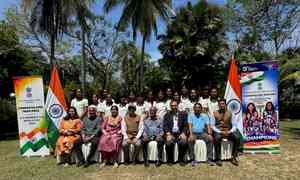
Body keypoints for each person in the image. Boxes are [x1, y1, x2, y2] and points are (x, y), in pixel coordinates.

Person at [212, 98, 240, 166]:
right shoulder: (214, 113)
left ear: (225, 105)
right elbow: (212, 126)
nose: (222, 105)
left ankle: (233, 157)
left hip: (228, 131)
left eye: (223, 104)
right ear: (218, 105)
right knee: (216, 138)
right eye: (220, 104)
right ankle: (218, 158)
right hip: (219, 131)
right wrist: (219, 131)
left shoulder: (231, 113)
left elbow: (234, 125)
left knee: (237, 137)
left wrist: (230, 131)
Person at [163, 100, 188, 166]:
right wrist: (168, 133)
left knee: (183, 142)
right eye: (172, 106)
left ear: (177, 106)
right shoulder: (167, 115)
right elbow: (165, 125)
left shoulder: (183, 114)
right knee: (168, 143)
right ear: (170, 106)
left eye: (175, 105)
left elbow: (185, 125)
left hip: (180, 133)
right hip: (171, 133)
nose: (173, 107)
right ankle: (170, 160)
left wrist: (183, 133)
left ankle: (181, 159)